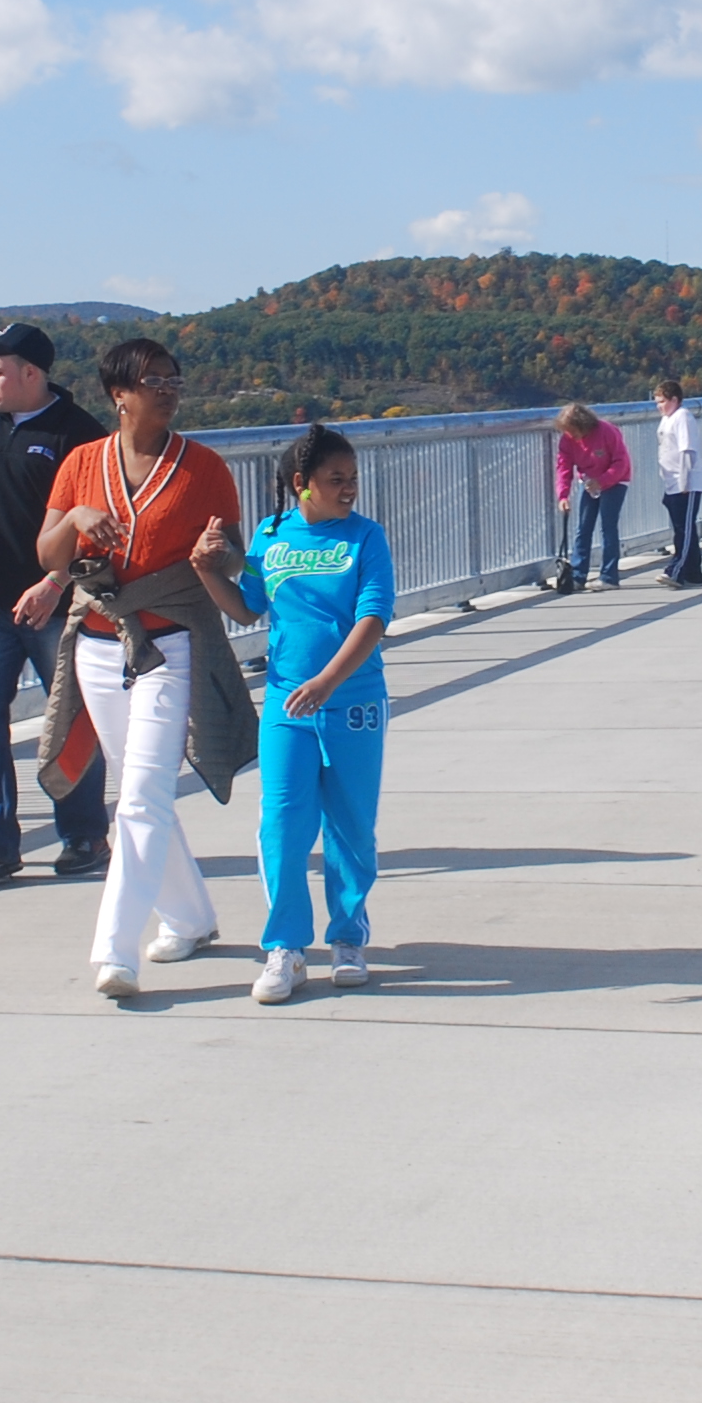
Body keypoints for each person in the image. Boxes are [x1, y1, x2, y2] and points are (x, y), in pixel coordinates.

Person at [30, 338, 252, 999]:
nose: (167, 388)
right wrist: (74, 518)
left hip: (170, 640)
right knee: (138, 788)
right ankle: (190, 917)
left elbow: (234, 557)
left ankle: (114, 952)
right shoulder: (80, 463)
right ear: (118, 394)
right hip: (99, 642)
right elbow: (48, 554)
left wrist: (216, 552)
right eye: (152, 380)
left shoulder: (203, 467)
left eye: (173, 378)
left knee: (141, 795)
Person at [0, 324, 112, 884]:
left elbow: (98, 524)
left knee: (69, 719)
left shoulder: (79, 435)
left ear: (31, 375)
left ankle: (84, 834)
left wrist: (56, 580)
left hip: (56, 605)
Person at [235, 426, 396, 1003]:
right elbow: (248, 606)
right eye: (336, 480)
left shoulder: (366, 538)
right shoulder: (270, 534)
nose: (348, 488)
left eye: (352, 479)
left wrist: (329, 681)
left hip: (351, 701)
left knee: (351, 825)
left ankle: (348, 938)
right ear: (300, 484)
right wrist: (208, 569)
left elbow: (373, 619)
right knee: (282, 821)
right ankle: (286, 948)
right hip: (285, 703)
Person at [551, 401, 632, 592]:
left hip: (615, 480)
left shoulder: (606, 431)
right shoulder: (567, 440)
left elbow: (621, 462)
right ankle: (578, 575)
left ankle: (609, 576)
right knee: (583, 528)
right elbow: (564, 468)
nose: (571, 435)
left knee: (608, 526)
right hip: (588, 481)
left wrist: (603, 481)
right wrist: (563, 496)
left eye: (573, 430)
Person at [651, 380, 702, 587]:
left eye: (663, 401)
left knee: (683, 529)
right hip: (671, 481)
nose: (659, 406)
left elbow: (687, 451)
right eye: (657, 402)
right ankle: (694, 573)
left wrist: (685, 481)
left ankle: (675, 570)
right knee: (683, 527)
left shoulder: (682, 417)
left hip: (686, 482)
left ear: (674, 399)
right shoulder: (666, 419)